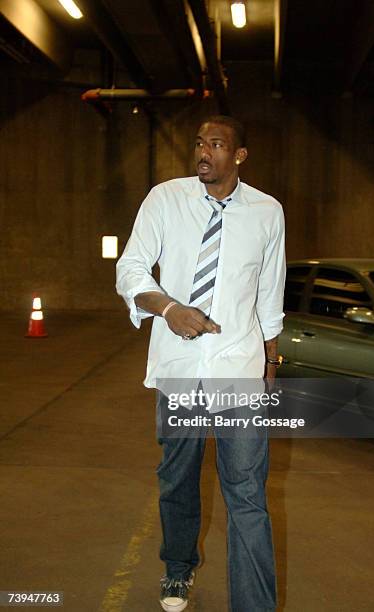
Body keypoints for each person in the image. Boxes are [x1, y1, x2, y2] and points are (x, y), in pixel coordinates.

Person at [116, 115, 286, 612]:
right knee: (177, 477)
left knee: (248, 494)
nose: (203, 153)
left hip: (239, 367)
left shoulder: (267, 212)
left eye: (216, 144)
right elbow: (131, 267)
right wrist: (168, 308)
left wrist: (272, 358)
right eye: (199, 144)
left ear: (240, 155)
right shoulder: (165, 200)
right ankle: (178, 567)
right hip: (180, 367)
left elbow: (269, 292)